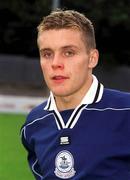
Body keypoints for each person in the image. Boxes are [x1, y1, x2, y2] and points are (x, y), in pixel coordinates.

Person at [20, 9, 130, 180]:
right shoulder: (33, 124)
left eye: (68, 52)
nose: (56, 63)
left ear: (92, 58)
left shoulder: (126, 112)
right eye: (47, 54)